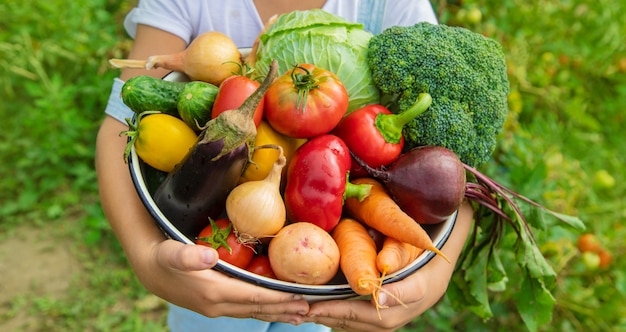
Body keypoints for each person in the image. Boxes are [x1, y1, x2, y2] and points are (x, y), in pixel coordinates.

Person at [95, 1, 474, 331]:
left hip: (318, 279)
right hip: (203, 279)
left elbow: (454, 165)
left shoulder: (392, 5)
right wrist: (146, 259)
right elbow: (120, 121)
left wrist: (438, 275)